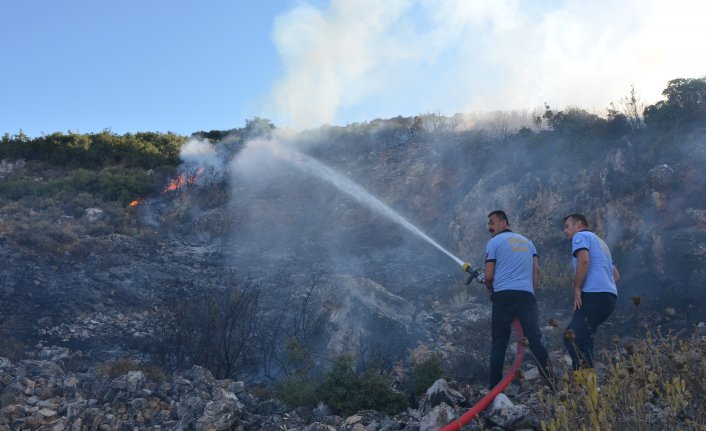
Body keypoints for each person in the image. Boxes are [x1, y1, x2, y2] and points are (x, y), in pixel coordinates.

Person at [484, 210, 551, 389]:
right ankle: (553, 383)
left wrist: (490, 290)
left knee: (499, 342)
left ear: (504, 223)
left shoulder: (494, 242)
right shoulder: (528, 243)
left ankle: (494, 390)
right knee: (535, 339)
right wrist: (531, 293)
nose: (489, 227)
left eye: (492, 222)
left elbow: (489, 275)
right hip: (526, 296)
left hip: (504, 296)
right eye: (488, 224)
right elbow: (536, 271)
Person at [562, 213, 620, 370]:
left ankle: (583, 380)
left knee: (571, 336)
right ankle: (589, 384)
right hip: (609, 299)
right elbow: (616, 276)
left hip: (594, 296)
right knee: (585, 337)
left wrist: (577, 288)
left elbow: (584, 261)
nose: (565, 231)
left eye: (567, 226)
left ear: (579, 224)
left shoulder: (580, 236)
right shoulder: (602, 244)